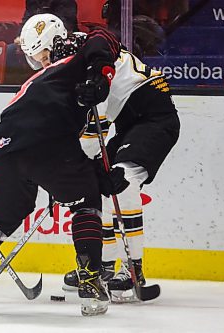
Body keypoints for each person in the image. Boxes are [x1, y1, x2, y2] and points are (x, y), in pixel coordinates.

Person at [0, 15, 121, 316]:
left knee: (3, 218)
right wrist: (102, 72)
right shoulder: (77, 58)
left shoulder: (39, 79)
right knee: (86, 199)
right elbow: (107, 38)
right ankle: (90, 282)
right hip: (48, 136)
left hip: (7, 142)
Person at [43, 18, 179, 299]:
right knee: (99, 185)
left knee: (123, 184)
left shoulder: (92, 71)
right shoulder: (88, 56)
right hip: (129, 123)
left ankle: (133, 270)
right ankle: (104, 265)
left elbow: (96, 132)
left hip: (155, 121)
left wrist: (76, 170)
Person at [4, 0, 79, 84]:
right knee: (11, 50)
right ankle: (23, 84)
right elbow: (27, 21)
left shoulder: (66, 2)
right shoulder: (33, 1)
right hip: (36, 39)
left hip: (57, 38)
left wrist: (40, 36)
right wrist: (21, 37)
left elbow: (65, 25)